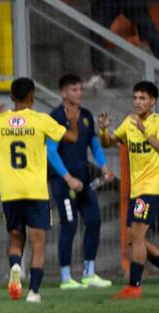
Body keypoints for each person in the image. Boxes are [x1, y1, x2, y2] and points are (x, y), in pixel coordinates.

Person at [0, 77, 78, 303]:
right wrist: (73, 121)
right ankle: (34, 292)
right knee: (38, 243)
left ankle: (15, 267)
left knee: (15, 240)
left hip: (10, 191)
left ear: (12, 97)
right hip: (35, 191)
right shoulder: (41, 120)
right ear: (32, 96)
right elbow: (72, 138)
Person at [97, 81, 159, 299]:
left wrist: (145, 131)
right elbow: (108, 143)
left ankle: (135, 286)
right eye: (135, 97)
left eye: (142, 98)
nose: (137, 102)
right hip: (137, 189)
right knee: (134, 238)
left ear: (152, 101)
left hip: (152, 187)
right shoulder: (129, 121)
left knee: (136, 237)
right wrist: (104, 129)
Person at [46, 74, 114, 289]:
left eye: (80, 89)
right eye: (74, 90)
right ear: (63, 93)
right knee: (69, 224)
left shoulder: (85, 115)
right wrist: (68, 178)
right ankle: (66, 278)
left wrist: (104, 167)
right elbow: (50, 151)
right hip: (62, 182)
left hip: (84, 180)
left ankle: (89, 273)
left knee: (94, 220)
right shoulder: (55, 117)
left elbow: (94, 144)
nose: (79, 93)